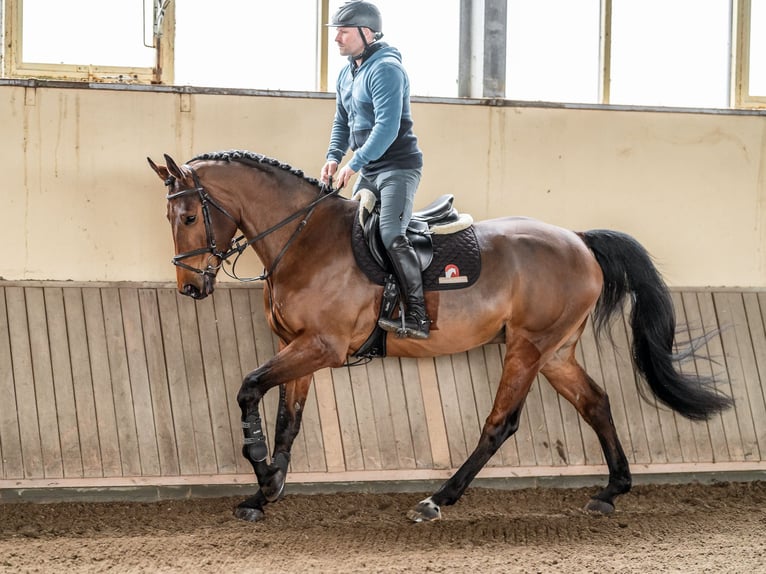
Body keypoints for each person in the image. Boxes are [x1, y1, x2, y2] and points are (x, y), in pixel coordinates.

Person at [321, 0, 430, 339]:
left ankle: (418, 315)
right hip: (370, 168)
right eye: (336, 31)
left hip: (398, 167)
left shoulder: (386, 70)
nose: (336, 38)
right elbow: (342, 121)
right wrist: (333, 156)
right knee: (351, 231)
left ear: (366, 33)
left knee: (390, 233)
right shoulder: (347, 72)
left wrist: (354, 164)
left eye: (343, 31)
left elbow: (386, 128)